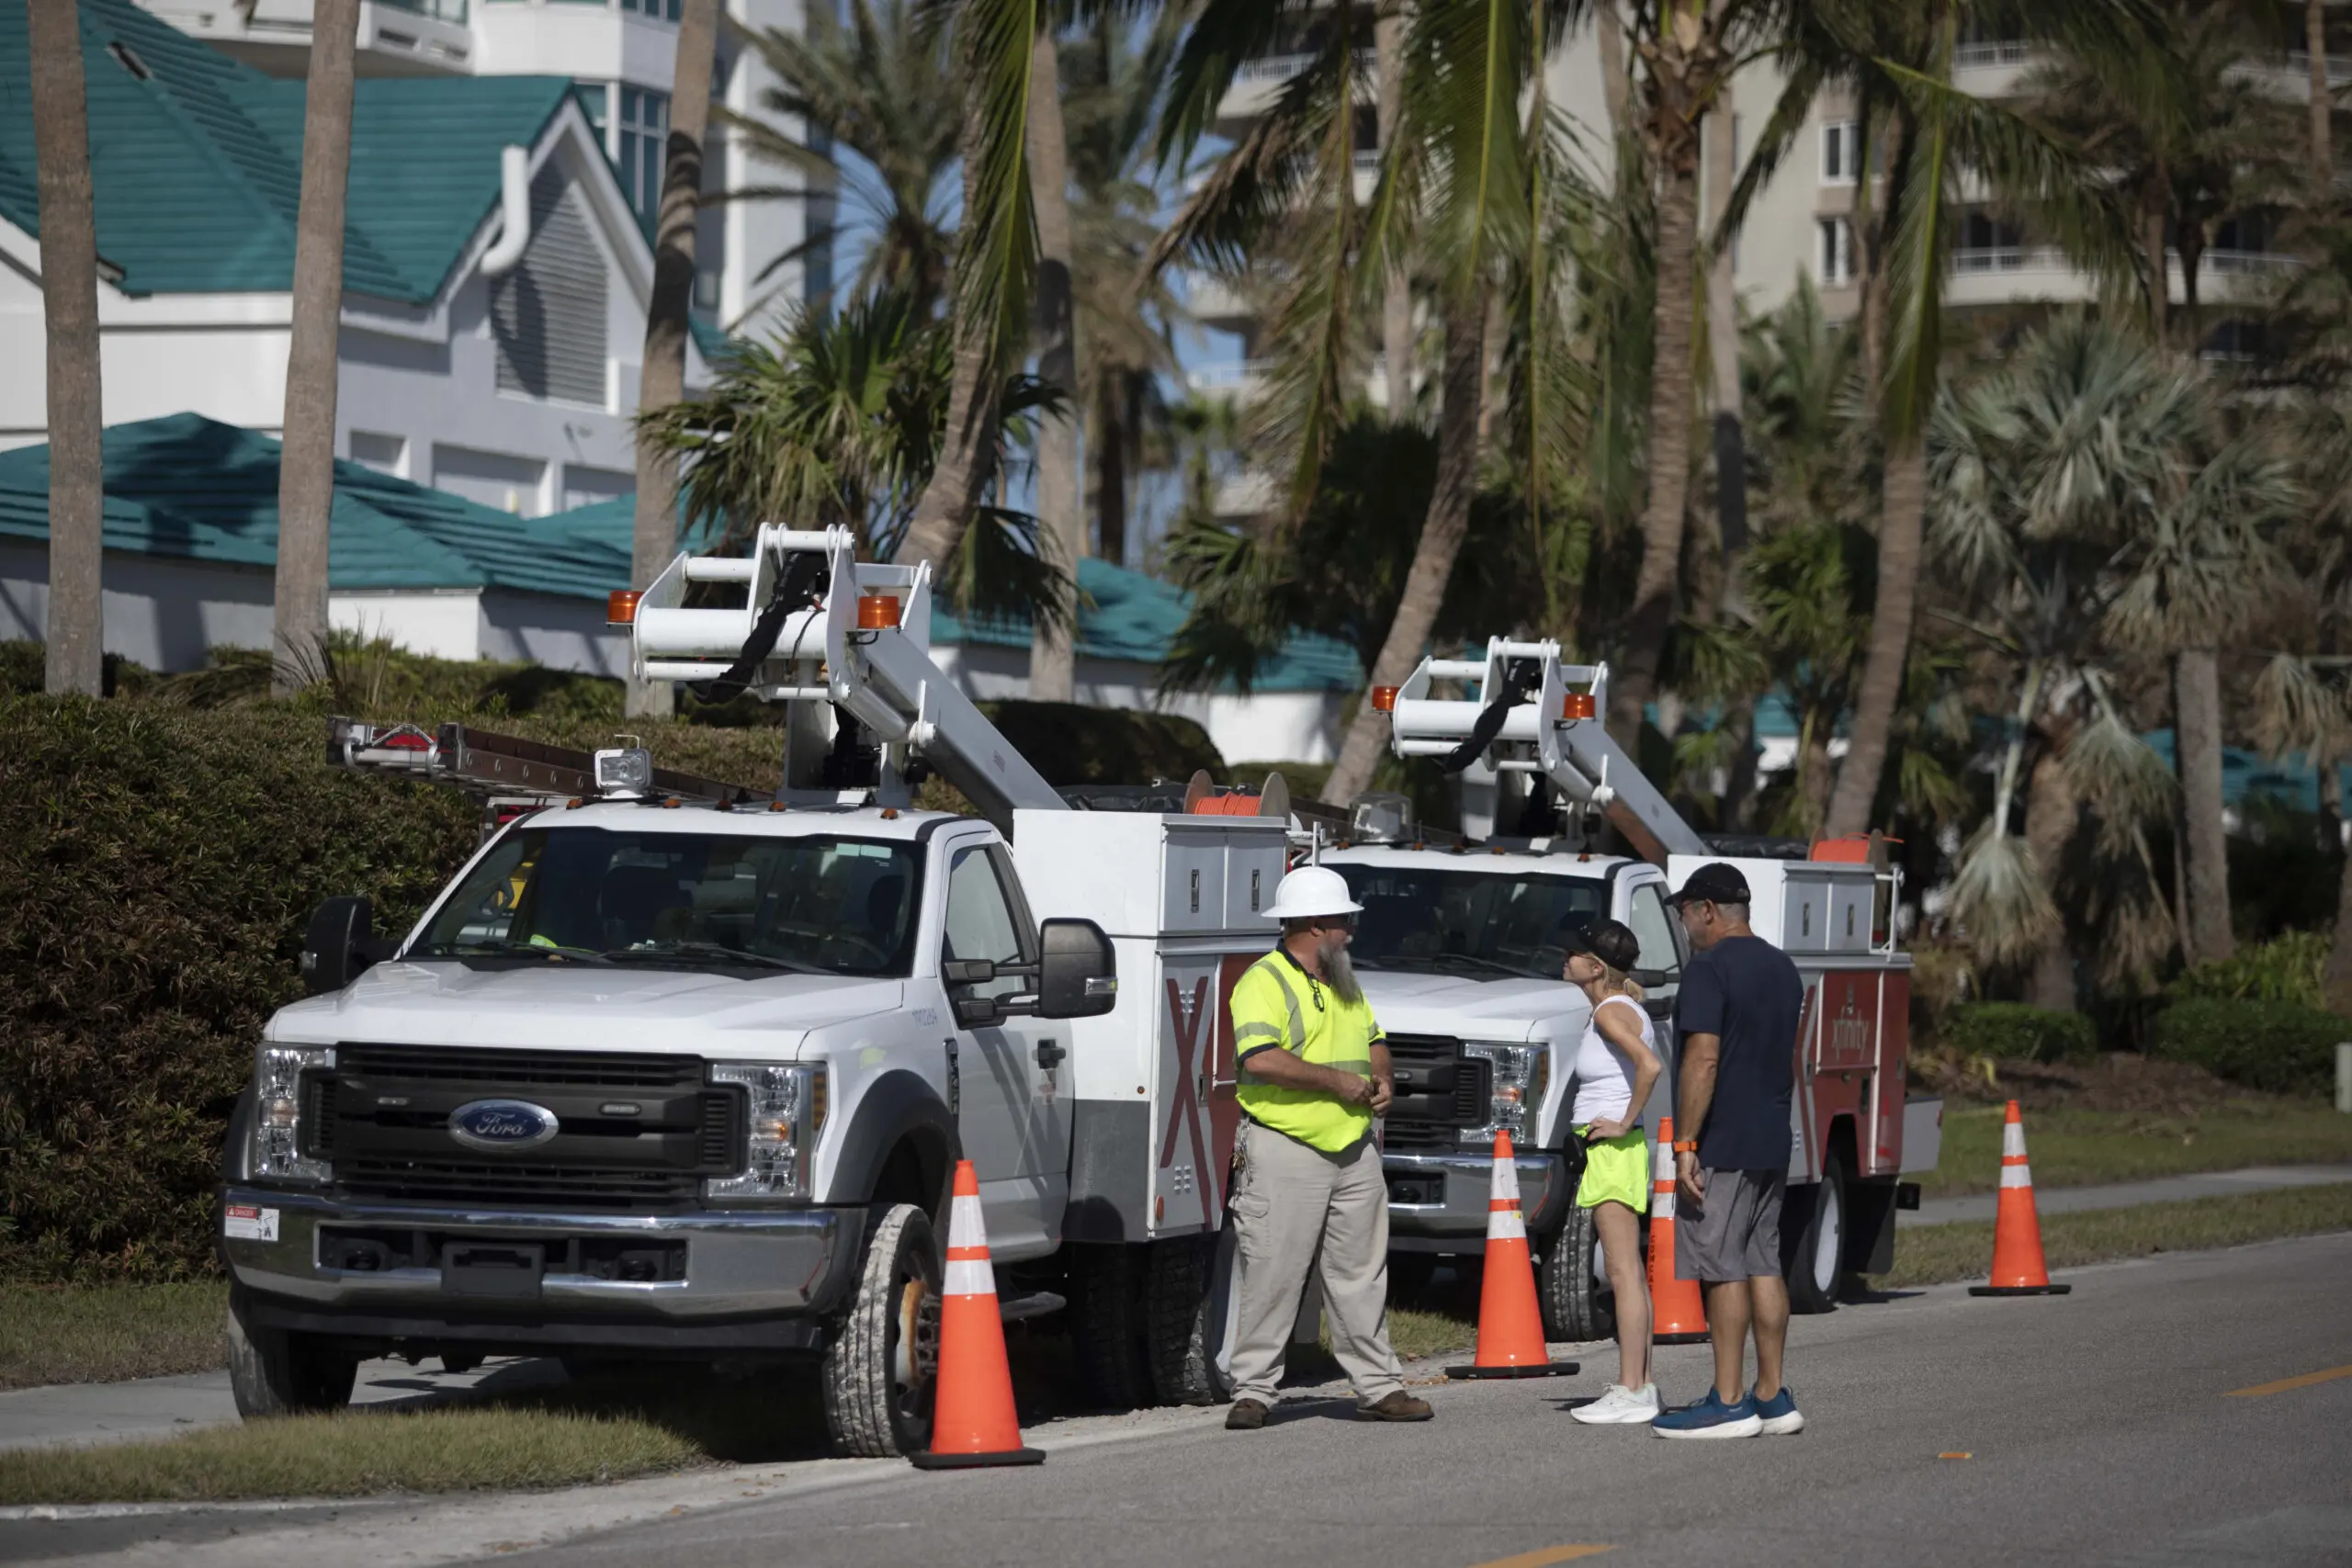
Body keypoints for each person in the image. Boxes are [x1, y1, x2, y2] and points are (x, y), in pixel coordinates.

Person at [1222, 863, 1433, 1431]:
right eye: (1344, 920)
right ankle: (1254, 1390)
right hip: (1285, 1146)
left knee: (1360, 1273)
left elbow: (1375, 1040)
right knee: (1274, 1270)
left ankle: (1380, 1387)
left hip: (1352, 1146)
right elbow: (1259, 1058)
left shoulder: (1344, 982)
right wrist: (1339, 1083)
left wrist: (1382, 1081)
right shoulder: (1262, 981)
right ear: (1316, 924)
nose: (1352, 931)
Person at [1649, 862, 1809, 1440]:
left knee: (1721, 1268)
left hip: (1724, 1139)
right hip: (1772, 1134)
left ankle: (1728, 1400)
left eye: (1687, 912)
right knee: (1763, 1261)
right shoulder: (1782, 966)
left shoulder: (1708, 969)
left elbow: (1703, 1059)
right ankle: (1771, 1394)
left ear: (1707, 910)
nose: (1686, 925)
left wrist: (1686, 1143)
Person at [1557, 918, 1666, 1426]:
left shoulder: (1610, 1014)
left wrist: (1623, 1124)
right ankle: (1639, 1385)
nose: (1565, 957)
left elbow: (1650, 1066)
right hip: (1611, 1150)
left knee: (1622, 1272)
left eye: (1573, 952)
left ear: (1595, 967)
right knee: (1628, 1273)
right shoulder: (1622, 1005)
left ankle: (1631, 1390)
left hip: (1613, 1150)